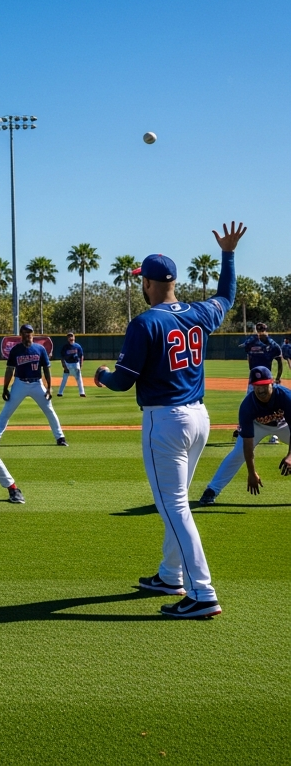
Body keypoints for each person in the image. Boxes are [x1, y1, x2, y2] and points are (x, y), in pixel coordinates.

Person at [94, 221, 245, 620]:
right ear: (173, 281)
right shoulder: (199, 312)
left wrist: (101, 377)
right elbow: (226, 296)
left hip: (166, 421)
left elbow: (124, 382)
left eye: (140, 280)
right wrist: (227, 254)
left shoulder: (145, 323)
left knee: (174, 507)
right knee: (177, 502)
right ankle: (170, 574)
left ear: (146, 283)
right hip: (200, 419)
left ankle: (202, 593)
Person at [199, 367, 291, 504]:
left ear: (272, 383)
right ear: (252, 386)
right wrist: (251, 472)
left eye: (264, 385)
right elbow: (247, 444)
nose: (261, 390)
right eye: (257, 386)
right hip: (258, 426)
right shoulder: (247, 406)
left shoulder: (286, 396)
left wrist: (290, 456)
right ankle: (212, 490)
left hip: (284, 425)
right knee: (237, 453)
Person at [0, 325, 67, 446]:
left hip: (37, 383)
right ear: (21, 334)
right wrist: (5, 388)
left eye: (30, 332)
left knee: (49, 410)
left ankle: (60, 438)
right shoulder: (16, 350)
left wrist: (49, 388)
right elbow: (9, 370)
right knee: (7, 411)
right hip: (19, 383)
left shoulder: (40, 349)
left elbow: (46, 369)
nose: (28, 334)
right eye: (25, 332)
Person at [241, 322, 283, 390]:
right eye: (260, 331)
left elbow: (279, 360)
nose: (260, 333)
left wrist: (278, 378)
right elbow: (280, 361)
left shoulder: (271, 344)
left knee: (258, 398)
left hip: (262, 378)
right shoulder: (251, 342)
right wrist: (278, 377)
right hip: (258, 378)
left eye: (262, 331)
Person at [57, 331, 86, 397]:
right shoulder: (65, 347)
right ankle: (60, 393)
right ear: (67, 338)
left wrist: (81, 365)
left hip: (76, 364)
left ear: (74, 337)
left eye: (72, 336)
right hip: (68, 364)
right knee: (64, 379)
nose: (71, 338)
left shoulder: (77, 346)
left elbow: (81, 356)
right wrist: (64, 366)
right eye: (69, 336)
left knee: (79, 379)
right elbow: (62, 357)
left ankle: (82, 393)